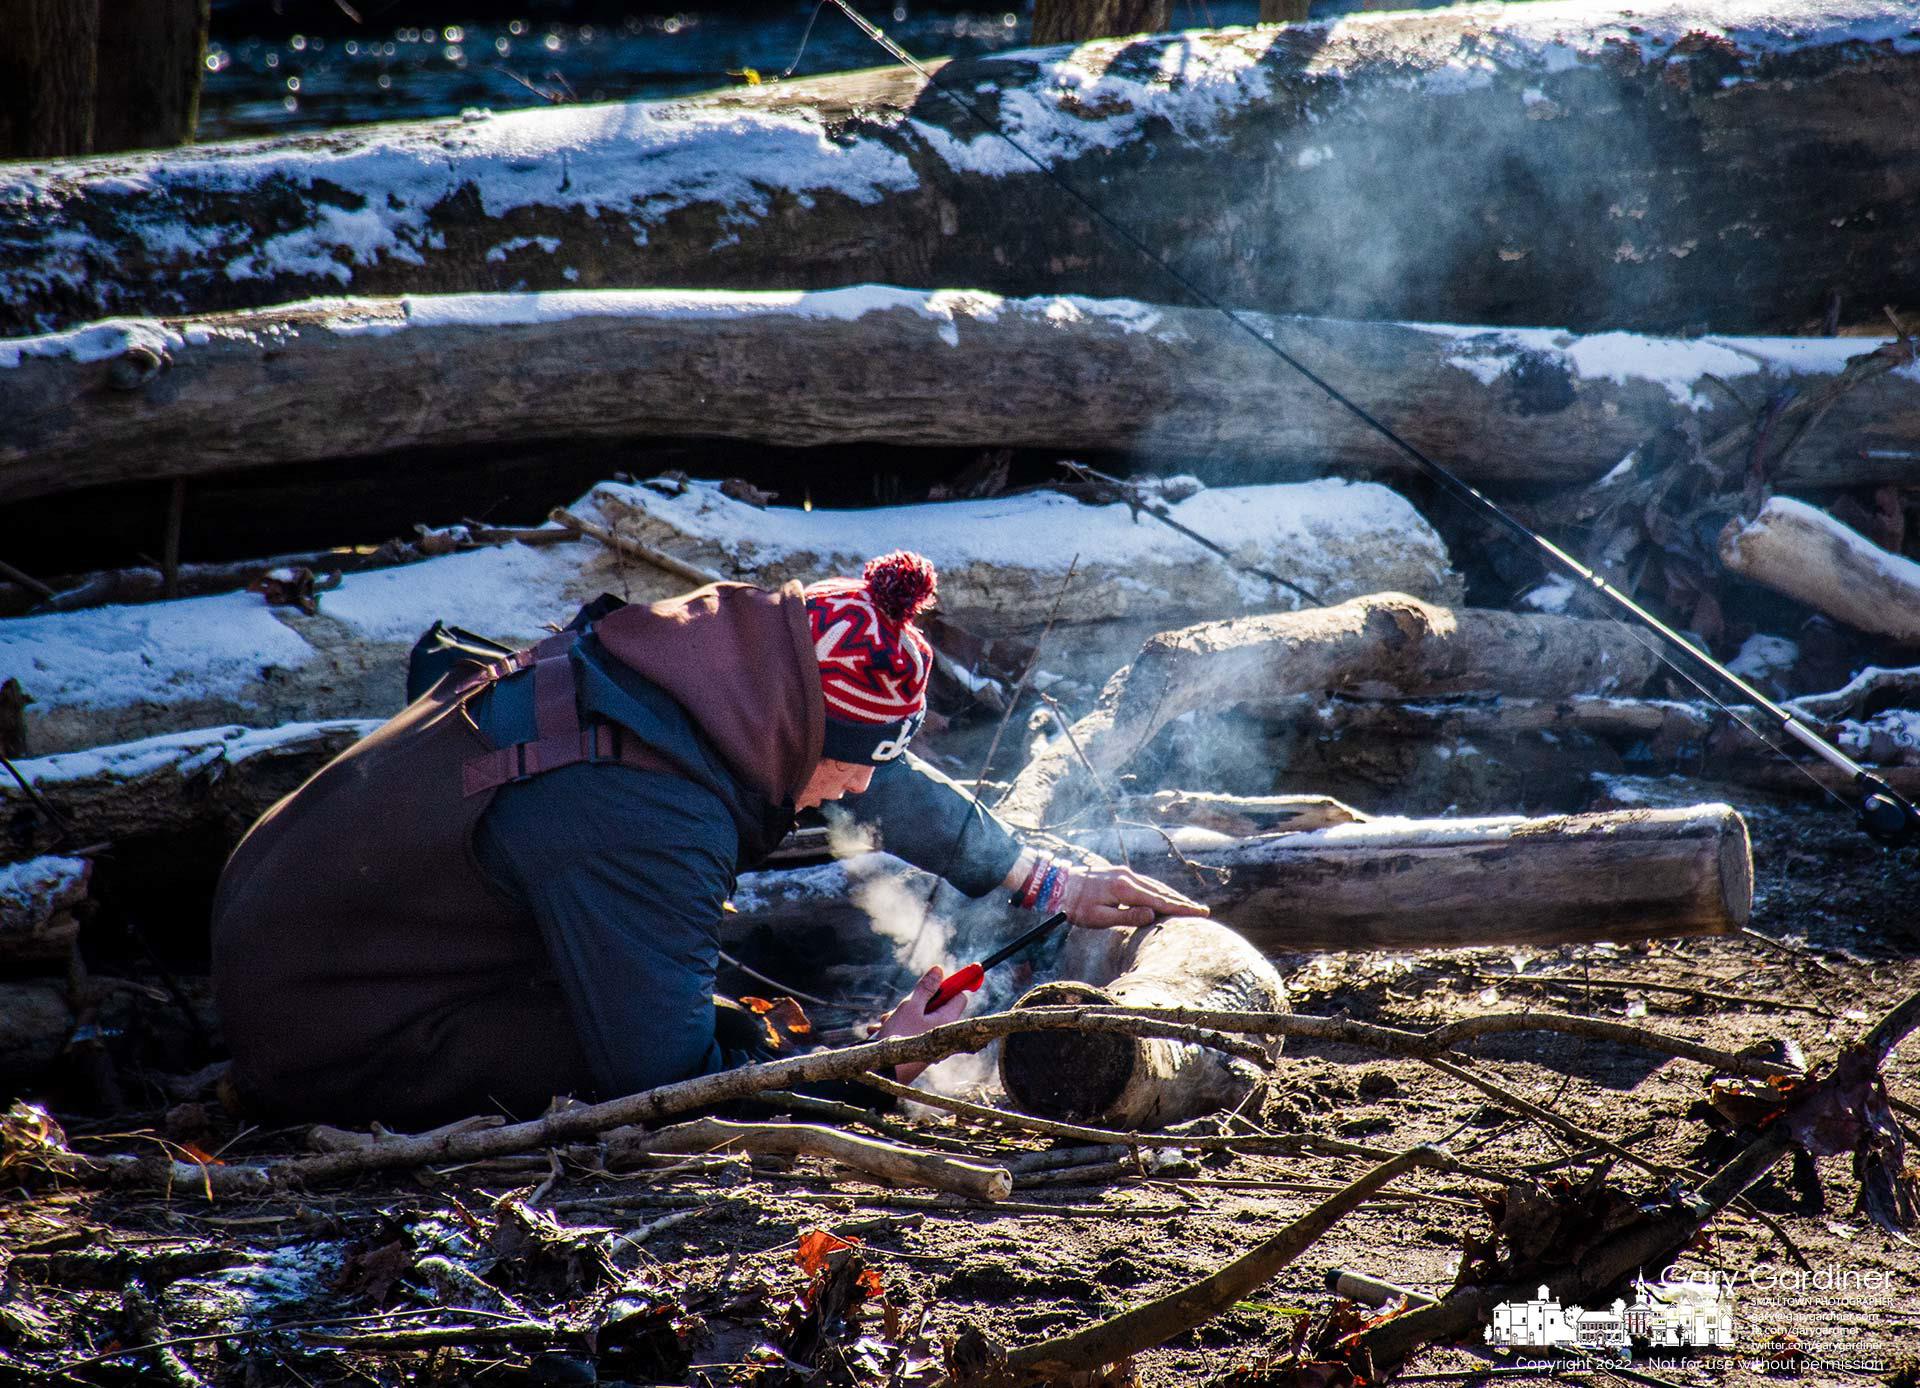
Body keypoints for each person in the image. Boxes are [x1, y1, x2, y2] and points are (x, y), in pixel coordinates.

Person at [211, 551, 1204, 1128]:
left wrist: (1048, 880)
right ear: (801, 730)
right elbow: (667, 1081)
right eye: (853, 764)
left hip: (297, 938)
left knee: (717, 1003)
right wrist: (861, 1064)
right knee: (658, 1049)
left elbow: (872, 766)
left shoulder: (707, 665)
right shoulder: (652, 816)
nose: (861, 790)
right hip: (324, 1031)